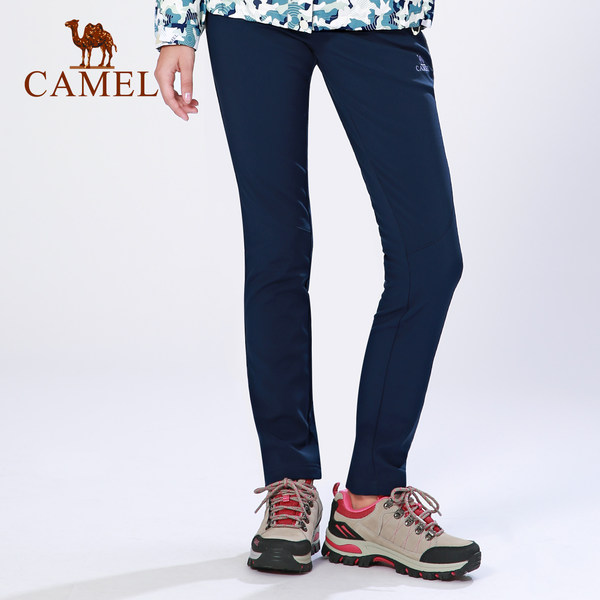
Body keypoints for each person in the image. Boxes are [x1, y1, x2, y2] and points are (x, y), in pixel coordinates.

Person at [153, 0, 481, 579]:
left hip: (376, 15)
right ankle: (289, 484)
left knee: (431, 259)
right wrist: (175, 25)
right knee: (276, 252)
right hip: (249, 16)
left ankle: (369, 500)